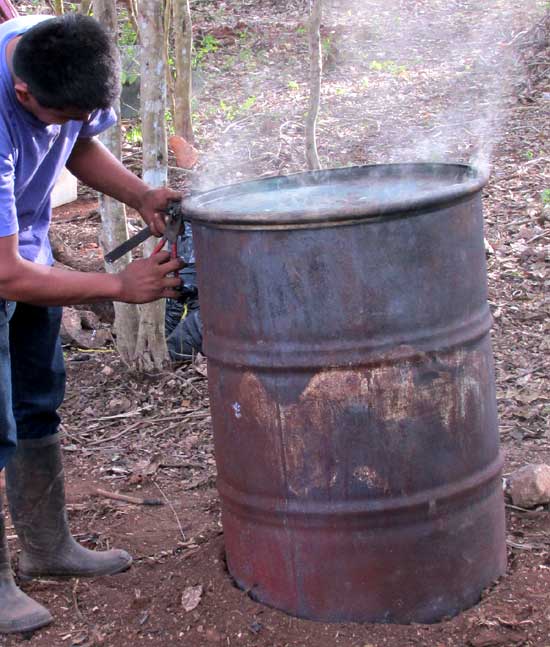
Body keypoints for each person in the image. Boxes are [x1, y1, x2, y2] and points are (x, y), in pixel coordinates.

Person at [0, 13, 183, 634]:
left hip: (26, 251)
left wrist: (137, 194)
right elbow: (4, 275)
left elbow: (77, 140)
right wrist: (117, 287)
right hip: (5, 266)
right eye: (60, 113)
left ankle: (47, 548)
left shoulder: (60, 51)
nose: (74, 123)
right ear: (24, 94)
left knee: (36, 401)